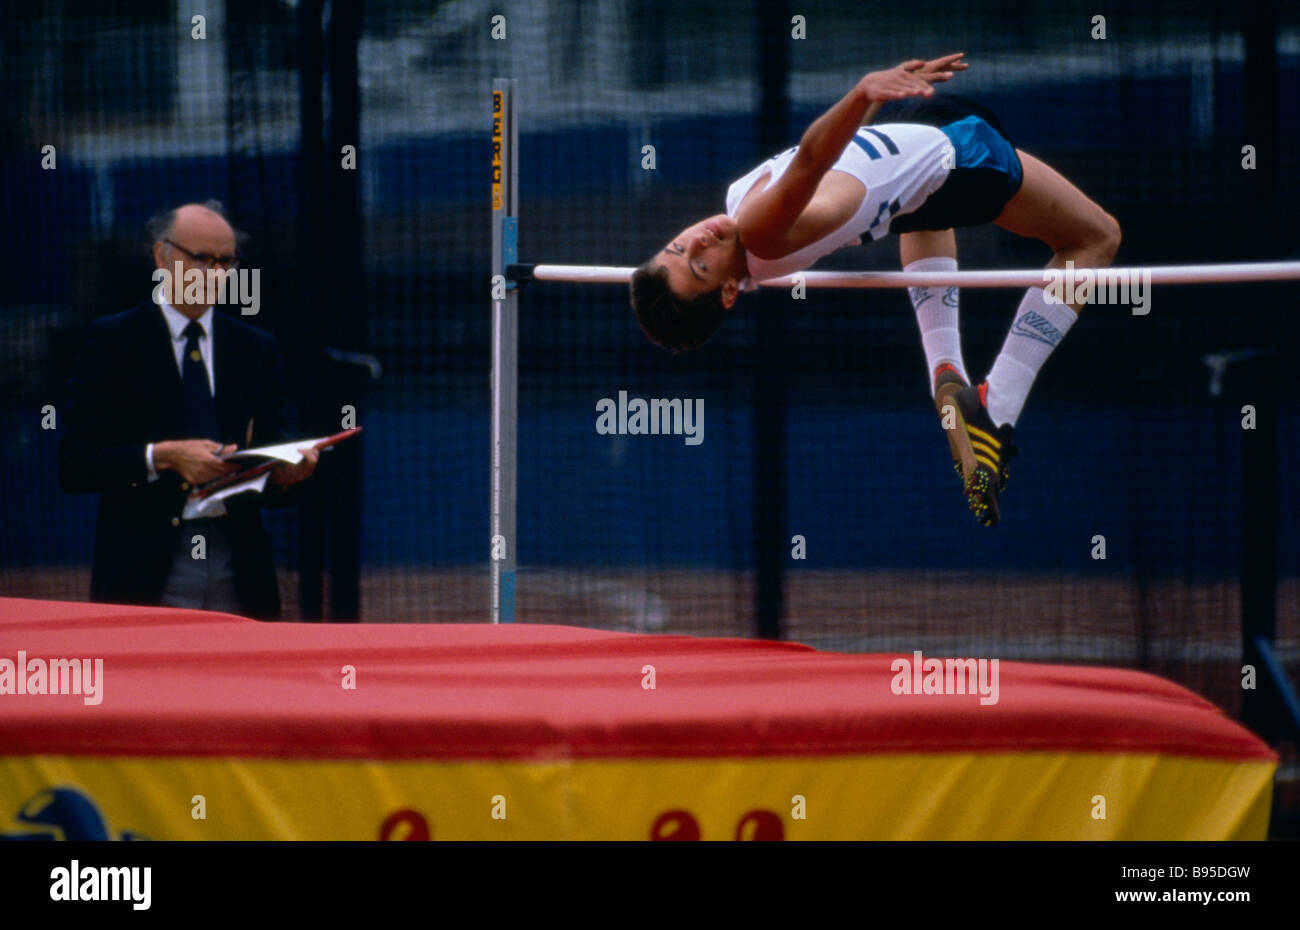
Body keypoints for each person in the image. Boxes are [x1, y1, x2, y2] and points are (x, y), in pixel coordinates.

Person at [630, 54, 1120, 525]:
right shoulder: (757, 230)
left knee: (918, 208)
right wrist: (864, 91)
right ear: (729, 292)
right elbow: (811, 159)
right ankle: (998, 404)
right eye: (700, 265)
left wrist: (875, 102)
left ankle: (946, 371)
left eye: (678, 246)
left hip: (918, 143)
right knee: (1096, 237)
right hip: (961, 155)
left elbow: (832, 169)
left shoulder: (740, 222)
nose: (697, 239)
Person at [58, 201, 318, 618]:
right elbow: (75, 464)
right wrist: (165, 456)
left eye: (225, 261)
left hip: (238, 566)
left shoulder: (255, 348)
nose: (214, 273)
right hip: (145, 564)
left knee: (242, 680)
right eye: (199, 258)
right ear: (162, 257)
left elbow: (267, 463)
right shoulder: (114, 342)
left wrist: (287, 474)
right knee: (149, 680)